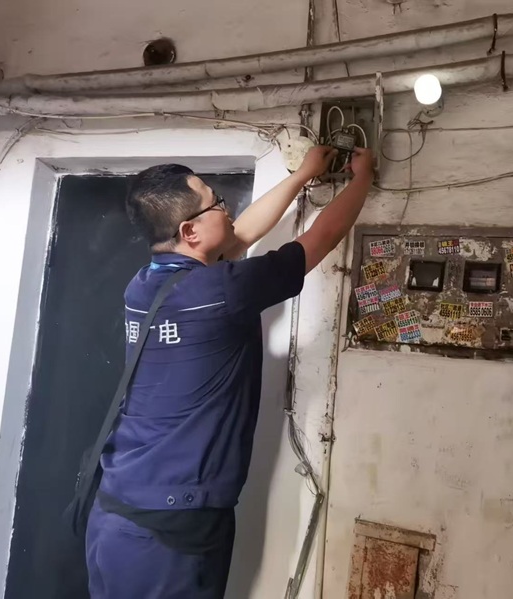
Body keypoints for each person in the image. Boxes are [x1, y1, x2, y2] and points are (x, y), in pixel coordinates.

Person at [85, 145, 374, 598]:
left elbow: (239, 236)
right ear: (189, 230)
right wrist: (363, 178)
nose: (226, 208)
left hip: (113, 515)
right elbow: (323, 236)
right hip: (170, 530)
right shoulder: (223, 290)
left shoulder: (142, 287)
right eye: (216, 202)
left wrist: (303, 175)